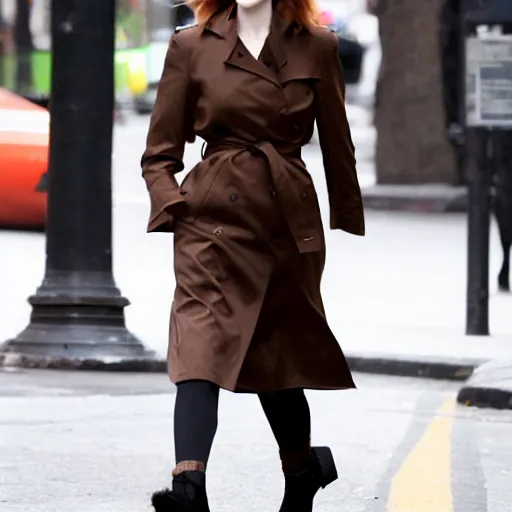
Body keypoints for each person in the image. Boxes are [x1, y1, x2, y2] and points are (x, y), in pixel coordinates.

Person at [141, 0, 365, 510]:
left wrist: (345, 212)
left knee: (275, 355)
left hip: (286, 221)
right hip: (210, 220)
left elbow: (337, 140)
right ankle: (188, 487)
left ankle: (302, 470)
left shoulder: (318, 46)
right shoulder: (191, 45)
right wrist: (172, 201)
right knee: (199, 339)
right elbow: (159, 152)